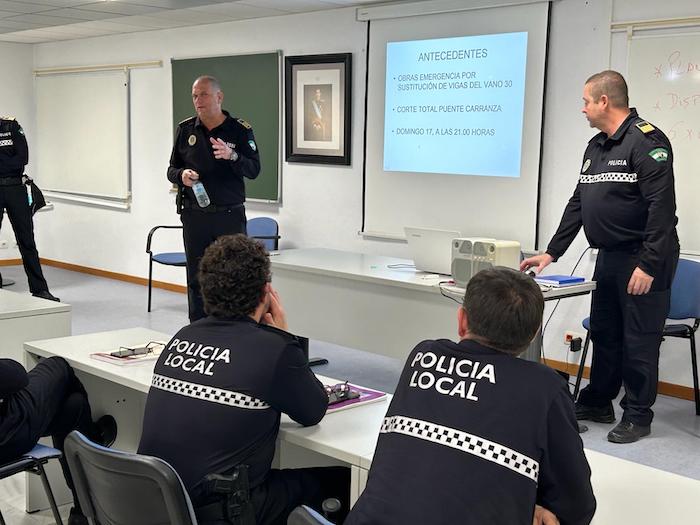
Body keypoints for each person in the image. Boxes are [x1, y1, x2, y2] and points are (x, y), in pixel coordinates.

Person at [346, 267, 596, 525]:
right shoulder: (544, 387)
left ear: (462, 321)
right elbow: (577, 506)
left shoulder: (423, 355)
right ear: (534, 334)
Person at [138, 234, 349, 525]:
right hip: (222, 512)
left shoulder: (183, 336)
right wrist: (285, 337)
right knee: (343, 482)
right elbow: (313, 410)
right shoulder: (274, 349)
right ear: (266, 293)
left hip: (159, 501)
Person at [521, 70, 679, 444]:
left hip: (643, 257)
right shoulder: (597, 147)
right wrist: (552, 251)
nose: (583, 109)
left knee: (639, 340)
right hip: (609, 256)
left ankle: (638, 415)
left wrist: (649, 264)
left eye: (586, 101)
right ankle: (599, 401)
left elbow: (662, 207)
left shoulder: (647, 141)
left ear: (604, 101)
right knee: (606, 333)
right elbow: (578, 202)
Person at [167, 76, 261, 322]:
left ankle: (234, 328)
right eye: (195, 95)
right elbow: (171, 169)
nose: (198, 100)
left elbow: (253, 169)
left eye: (204, 94)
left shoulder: (240, 130)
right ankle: (198, 327)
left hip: (228, 216)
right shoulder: (185, 129)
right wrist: (182, 175)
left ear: (219, 97)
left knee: (233, 274)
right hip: (194, 215)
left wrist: (232, 156)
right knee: (196, 276)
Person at [0, 357, 117, 525]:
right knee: (57, 365)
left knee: (74, 406)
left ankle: (82, 512)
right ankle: (93, 439)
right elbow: (16, 376)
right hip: (10, 434)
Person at [0, 115, 59, 302]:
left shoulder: (11, 126)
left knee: (27, 241)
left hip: (15, 189)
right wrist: (7, 162)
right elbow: (13, 159)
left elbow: (22, 158)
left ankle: (40, 289)